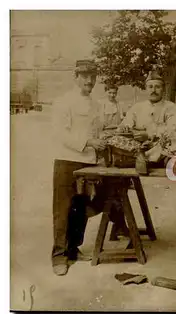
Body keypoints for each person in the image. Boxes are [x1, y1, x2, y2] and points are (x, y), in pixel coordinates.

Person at [50, 59, 106, 276]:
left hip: (89, 162)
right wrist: (89, 142)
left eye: (93, 76)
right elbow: (59, 133)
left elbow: (97, 131)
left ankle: (73, 249)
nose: (89, 80)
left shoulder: (96, 104)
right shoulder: (64, 102)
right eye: (84, 76)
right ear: (75, 77)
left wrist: (100, 144)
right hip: (67, 160)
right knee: (63, 209)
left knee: (81, 208)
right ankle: (58, 256)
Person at [118, 69, 176, 143]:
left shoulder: (170, 107)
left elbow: (175, 131)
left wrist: (149, 134)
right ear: (146, 89)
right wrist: (124, 127)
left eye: (157, 87)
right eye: (150, 87)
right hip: (137, 147)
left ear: (163, 89)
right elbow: (126, 123)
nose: (153, 90)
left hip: (162, 147)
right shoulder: (137, 107)